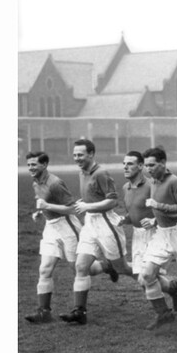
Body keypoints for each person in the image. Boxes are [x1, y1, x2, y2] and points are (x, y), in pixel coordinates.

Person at [59, 139, 128, 325]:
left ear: (91, 154)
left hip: (106, 222)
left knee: (124, 268)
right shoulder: (82, 172)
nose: (76, 158)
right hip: (90, 223)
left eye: (80, 154)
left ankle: (168, 288)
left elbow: (113, 201)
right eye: (74, 155)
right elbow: (92, 195)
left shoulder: (101, 173)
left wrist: (88, 205)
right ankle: (79, 311)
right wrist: (82, 203)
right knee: (81, 267)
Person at [137, 146, 177, 330]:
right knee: (146, 275)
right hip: (162, 234)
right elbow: (161, 210)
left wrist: (158, 205)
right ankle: (163, 313)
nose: (148, 169)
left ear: (163, 163)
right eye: (146, 166)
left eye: (152, 165)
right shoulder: (153, 181)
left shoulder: (174, 181)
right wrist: (154, 220)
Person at [23, 151, 82, 324]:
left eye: (34, 164)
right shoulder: (36, 182)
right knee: (44, 269)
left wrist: (47, 206)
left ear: (44, 164)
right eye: (28, 165)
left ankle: (106, 266)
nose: (30, 168)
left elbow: (73, 208)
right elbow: (43, 202)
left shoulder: (55, 183)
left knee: (79, 269)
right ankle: (44, 312)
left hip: (67, 225)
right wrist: (40, 212)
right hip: (51, 227)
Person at [118, 151, 156, 280]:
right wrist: (125, 219)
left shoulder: (152, 185)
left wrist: (154, 220)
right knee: (140, 276)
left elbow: (166, 210)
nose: (125, 167)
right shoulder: (125, 188)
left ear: (140, 166)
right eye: (124, 164)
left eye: (130, 164)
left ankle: (171, 289)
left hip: (154, 235)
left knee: (146, 277)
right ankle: (172, 289)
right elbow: (134, 211)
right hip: (137, 235)